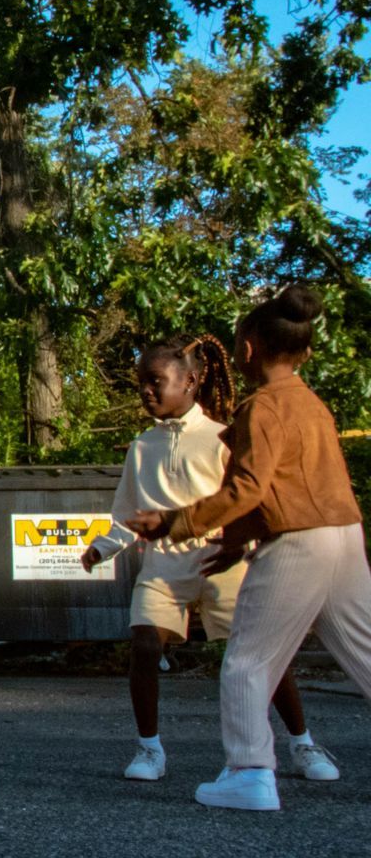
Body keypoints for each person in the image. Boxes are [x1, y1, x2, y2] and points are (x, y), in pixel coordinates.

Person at [131, 286, 371, 811]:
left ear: (246, 350)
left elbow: (248, 489)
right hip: (345, 538)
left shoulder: (261, 407)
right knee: (365, 651)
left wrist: (175, 522)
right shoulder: (313, 405)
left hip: (297, 543)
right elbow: (296, 482)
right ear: (305, 351)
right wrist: (235, 541)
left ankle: (249, 773)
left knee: (247, 660)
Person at [83, 334, 336, 783]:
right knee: (144, 646)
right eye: (141, 382)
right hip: (163, 564)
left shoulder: (223, 437)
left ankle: (303, 742)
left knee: (262, 656)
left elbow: (248, 499)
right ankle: (149, 749)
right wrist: (104, 546)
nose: (146, 390)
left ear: (191, 382)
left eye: (155, 381)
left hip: (224, 559)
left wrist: (246, 543)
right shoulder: (141, 448)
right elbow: (128, 515)